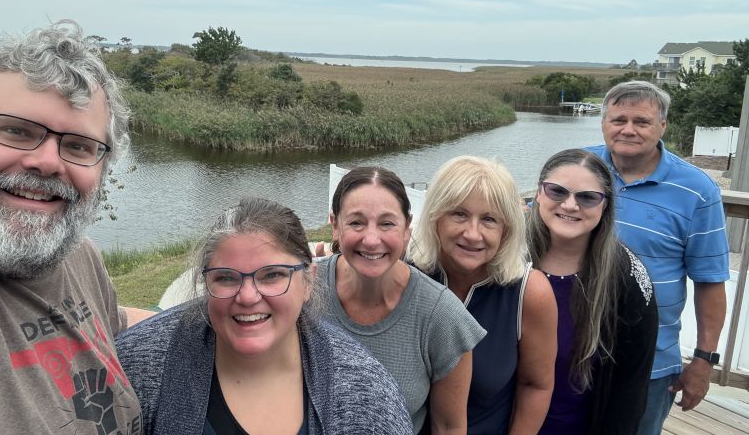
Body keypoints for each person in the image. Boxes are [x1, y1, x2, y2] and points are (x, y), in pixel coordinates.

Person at [0, 21, 147, 434]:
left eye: (78, 145)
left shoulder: (79, 255)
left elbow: (103, 323)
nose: (47, 162)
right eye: (16, 130)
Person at [116, 197, 413, 435]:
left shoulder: (366, 394)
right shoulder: (139, 368)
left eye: (272, 275)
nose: (247, 296)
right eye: (226, 278)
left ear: (308, 281)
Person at [589, 80, 729, 434]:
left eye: (642, 122)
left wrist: (703, 362)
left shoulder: (697, 190)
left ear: (663, 126)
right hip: (570, 350)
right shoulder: (579, 168)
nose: (628, 130)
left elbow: (710, 281)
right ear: (604, 123)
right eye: (618, 119)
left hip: (649, 364)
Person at [318, 166, 486, 435]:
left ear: (407, 228)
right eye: (356, 222)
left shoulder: (441, 316)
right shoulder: (301, 290)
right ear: (335, 226)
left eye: (387, 223)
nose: (371, 239)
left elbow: (448, 426)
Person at [408, 155, 558, 435]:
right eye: (459, 214)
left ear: (507, 229)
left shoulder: (529, 293)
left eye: (489, 219)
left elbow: (535, 385)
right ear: (435, 216)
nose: (473, 234)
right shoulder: (406, 273)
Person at [526, 149, 658, 434]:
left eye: (587, 197)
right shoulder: (507, 258)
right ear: (538, 193)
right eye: (557, 191)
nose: (570, 205)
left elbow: (631, 384)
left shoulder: (629, 277)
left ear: (605, 205)